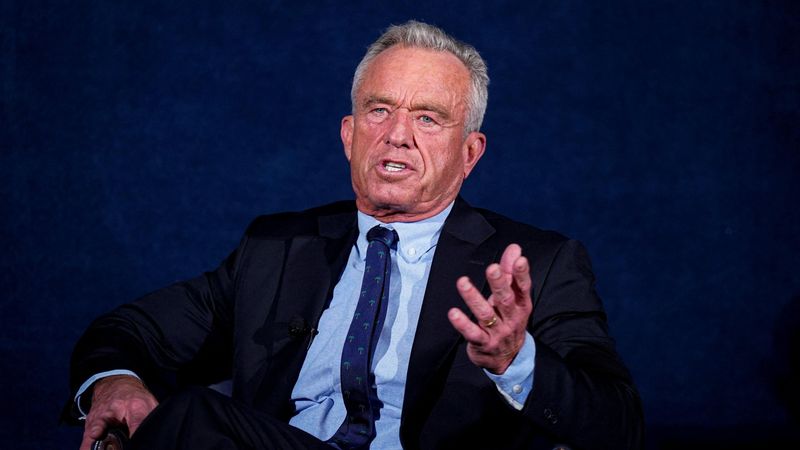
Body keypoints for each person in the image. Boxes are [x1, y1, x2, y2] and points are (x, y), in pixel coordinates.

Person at [65, 20, 644, 450]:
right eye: (379, 110)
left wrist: (516, 361)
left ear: (470, 153)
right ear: (349, 135)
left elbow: (618, 424)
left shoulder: (538, 263)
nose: (397, 135)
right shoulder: (276, 249)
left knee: (191, 417)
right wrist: (115, 382)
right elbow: (128, 331)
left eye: (427, 118)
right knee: (186, 417)